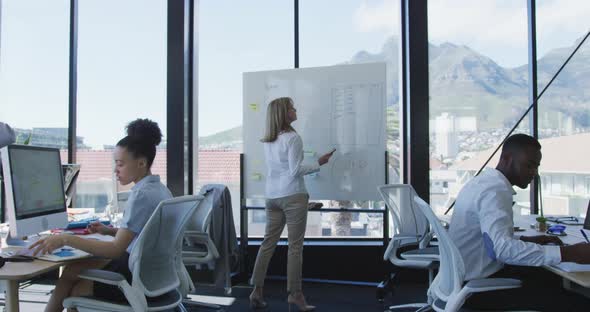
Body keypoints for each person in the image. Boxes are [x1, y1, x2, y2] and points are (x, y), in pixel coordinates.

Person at [29, 118, 172, 312]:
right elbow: (143, 234)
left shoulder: (141, 195)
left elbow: (114, 250)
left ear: (141, 163)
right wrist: (109, 230)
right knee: (71, 271)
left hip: (136, 277)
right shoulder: (160, 190)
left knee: (76, 289)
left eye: (120, 164)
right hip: (152, 273)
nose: (115, 170)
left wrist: (65, 239)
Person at [449, 133, 590, 311]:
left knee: (550, 279)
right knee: (579, 304)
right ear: (507, 159)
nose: (534, 173)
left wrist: (525, 241)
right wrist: (570, 253)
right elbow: (502, 250)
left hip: (465, 277)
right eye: (529, 165)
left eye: (536, 166)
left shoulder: (483, 183)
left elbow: (490, 240)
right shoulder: (494, 191)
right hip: (478, 288)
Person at [249, 97, 335, 311]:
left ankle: (256, 291)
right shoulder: (293, 138)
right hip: (293, 195)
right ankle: (296, 295)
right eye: (292, 108)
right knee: (295, 248)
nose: (295, 110)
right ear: (284, 113)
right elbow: (295, 170)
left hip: (272, 197)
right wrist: (319, 163)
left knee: (267, 244)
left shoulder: (268, 139)